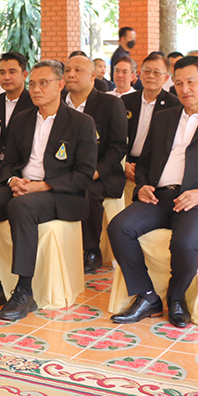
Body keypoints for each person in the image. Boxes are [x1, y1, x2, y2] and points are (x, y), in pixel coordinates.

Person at [107, 56, 198, 328]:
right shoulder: (163, 118)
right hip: (160, 196)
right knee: (119, 227)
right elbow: (144, 162)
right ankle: (147, 297)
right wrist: (143, 185)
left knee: (185, 243)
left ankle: (176, 297)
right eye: (179, 83)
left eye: (191, 82)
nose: (185, 89)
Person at [0, 60, 97, 321]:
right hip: (23, 186)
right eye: (33, 84)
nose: (36, 89)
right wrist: (13, 180)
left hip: (59, 193)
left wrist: (43, 186)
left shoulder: (81, 122)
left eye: (43, 83)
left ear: (60, 85)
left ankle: (24, 291)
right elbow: (9, 162)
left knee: (20, 206)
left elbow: (84, 173)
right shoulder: (22, 119)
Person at [62, 55, 127, 273]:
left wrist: (96, 172)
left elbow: (118, 147)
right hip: (64, 170)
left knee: (87, 190)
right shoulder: (58, 102)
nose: (71, 74)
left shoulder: (110, 104)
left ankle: (91, 249)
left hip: (102, 174)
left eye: (78, 70)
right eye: (67, 70)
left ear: (92, 76)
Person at [122, 53, 180, 182]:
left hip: (155, 168)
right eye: (147, 71)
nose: (151, 76)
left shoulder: (174, 105)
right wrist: (124, 163)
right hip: (126, 163)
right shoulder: (125, 101)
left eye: (157, 72)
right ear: (140, 74)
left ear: (166, 78)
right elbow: (117, 136)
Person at [0, 52, 32, 188]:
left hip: (17, 167)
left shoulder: (33, 104)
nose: (6, 77)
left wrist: (3, 168)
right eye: (2, 73)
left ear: (24, 75)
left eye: (12, 72)